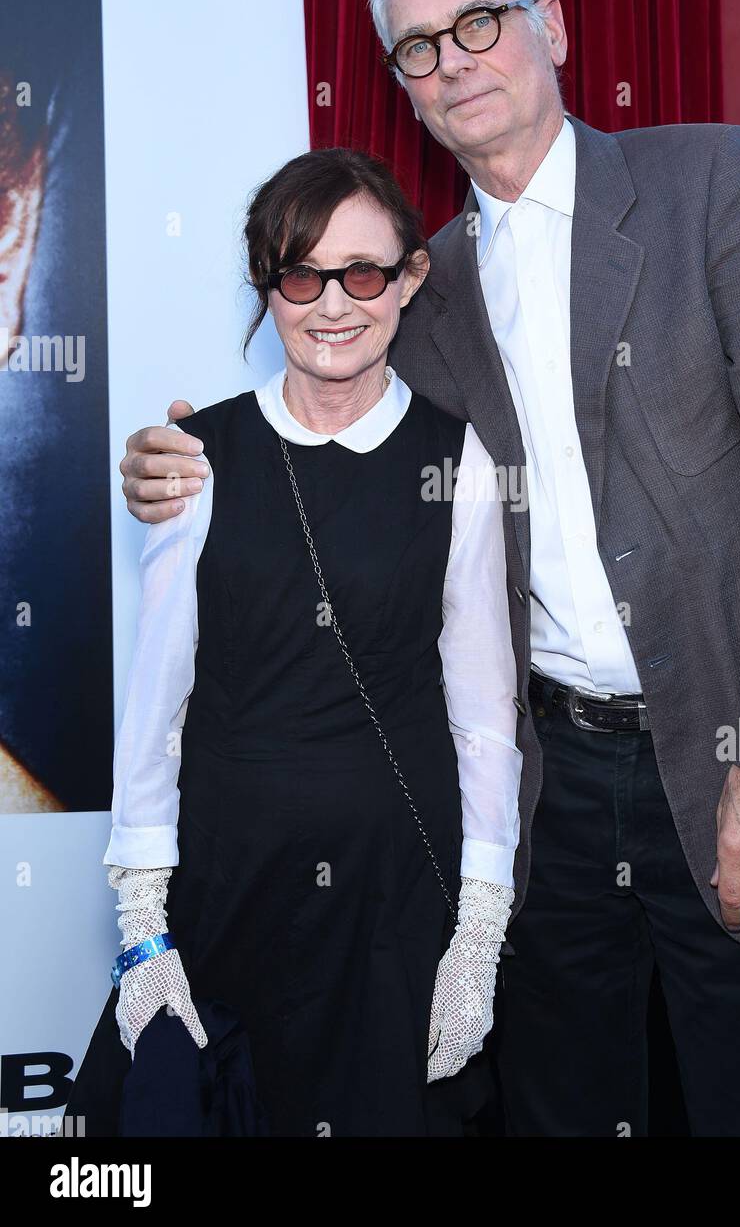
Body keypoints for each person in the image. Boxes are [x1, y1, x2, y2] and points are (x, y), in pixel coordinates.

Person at [120, 0, 740, 1137]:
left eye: (478, 21)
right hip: (546, 798)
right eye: (417, 45)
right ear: (403, 84)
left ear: (550, 24)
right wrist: (175, 460)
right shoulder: (415, 292)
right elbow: (322, 435)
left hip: (733, 752)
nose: (452, 61)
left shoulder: (708, 182)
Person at [67, 147, 523, 1137]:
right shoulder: (197, 460)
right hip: (228, 886)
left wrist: (479, 932)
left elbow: (483, 714)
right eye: (302, 275)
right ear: (267, 284)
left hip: (395, 897)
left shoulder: (459, 462)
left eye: (363, 272)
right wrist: (143, 926)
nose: (333, 305)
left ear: (408, 278)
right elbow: (157, 704)